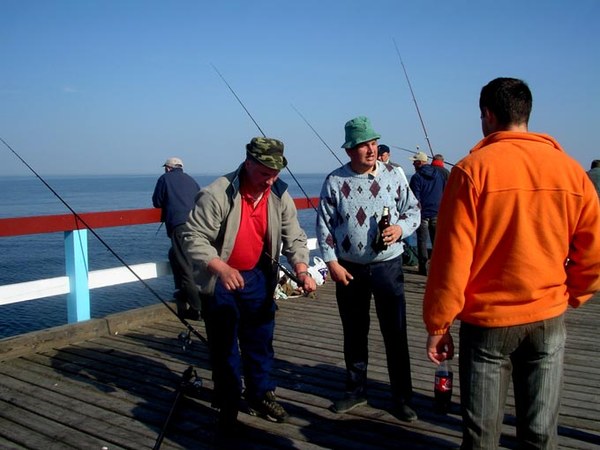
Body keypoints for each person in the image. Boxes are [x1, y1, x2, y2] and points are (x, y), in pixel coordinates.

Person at [423, 77, 600, 449]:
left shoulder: (471, 171)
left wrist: (439, 324)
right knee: (540, 434)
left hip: (488, 324)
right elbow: (593, 250)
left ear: (488, 115)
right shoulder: (570, 171)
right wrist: (575, 293)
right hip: (548, 316)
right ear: (526, 113)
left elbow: (451, 259)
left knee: (482, 437)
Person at [181, 137, 317, 431]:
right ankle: (228, 401)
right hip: (221, 278)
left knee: (260, 341)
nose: (270, 180)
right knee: (224, 345)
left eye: (275, 173)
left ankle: (260, 394)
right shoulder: (218, 193)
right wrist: (221, 267)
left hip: (258, 276)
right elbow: (193, 236)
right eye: (265, 172)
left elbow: (294, 236)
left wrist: (302, 270)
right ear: (248, 163)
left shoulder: (278, 193)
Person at [317, 116, 421, 422]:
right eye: (364, 145)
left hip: (388, 267)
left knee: (395, 332)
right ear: (350, 150)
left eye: (374, 143)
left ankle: (402, 397)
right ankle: (355, 391)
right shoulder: (334, 181)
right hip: (349, 269)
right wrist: (331, 263)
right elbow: (324, 226)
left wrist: (400, 229)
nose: (371, 149)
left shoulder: (395, 174)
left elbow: (413, 210)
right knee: (354, 331)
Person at [152, 157, 201, 319]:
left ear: (168, 168)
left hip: (179, 226)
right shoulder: (191, 180)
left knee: (185, 266)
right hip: (196, 225)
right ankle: (183, 291)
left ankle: (196, 308)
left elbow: (157, 202)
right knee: (174, 255)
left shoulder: (165, 179)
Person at [408, 151, 447, 276]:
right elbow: (444, 190)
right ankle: (438, 267)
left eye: (414, 162)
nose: (413, 164)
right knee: (436, 241)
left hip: (422, 213)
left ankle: (423, 268)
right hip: (437, 211)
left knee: (422, 241)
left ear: (419, 162)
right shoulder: (439, 174)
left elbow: (414, 197)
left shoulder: (416, 177)